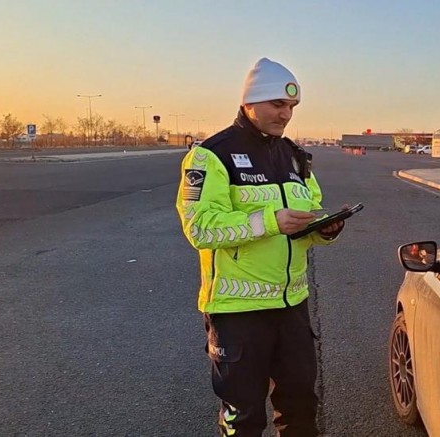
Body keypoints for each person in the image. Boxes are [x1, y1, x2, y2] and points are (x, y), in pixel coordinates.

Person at [175, 57, 345, 436]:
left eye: (292, 108)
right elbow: (199, 228)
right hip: (238, 310)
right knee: (244, 416)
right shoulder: (210, 155)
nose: (286, 115)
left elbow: (305, 221)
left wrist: (324, 228)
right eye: (277, 105)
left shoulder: (295, 156)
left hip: (292, 308)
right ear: (250, 102)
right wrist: (270, 221)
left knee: (301, 407)